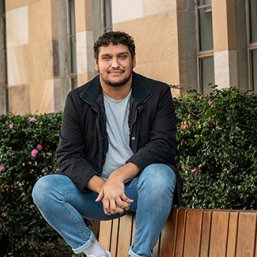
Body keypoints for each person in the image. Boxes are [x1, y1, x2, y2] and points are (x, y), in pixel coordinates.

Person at [32, 31, 182, 257]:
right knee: (45, 189)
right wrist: (105, 187)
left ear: (133, 60)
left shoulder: (157, 93)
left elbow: (162, 144)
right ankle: (95, 253)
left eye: (122, 56)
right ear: (96, 63)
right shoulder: (78, 99)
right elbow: (68, 156)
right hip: (100, 197)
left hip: (143, 191)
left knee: (161, 175)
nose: (115, 64)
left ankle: (139, 254)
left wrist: (117, 177)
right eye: (107, 58)